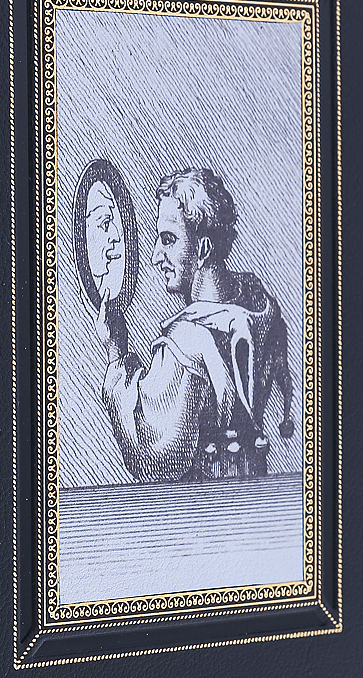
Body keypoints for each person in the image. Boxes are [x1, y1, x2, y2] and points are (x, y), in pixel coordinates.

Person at [97, 167, 293, 482]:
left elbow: (152, 460)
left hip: (205, 505)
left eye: (168, 240)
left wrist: (115, 354)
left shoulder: (187, 338)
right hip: (253, 493)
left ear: (202, 249)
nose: (155, 256)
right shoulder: (258, 305)